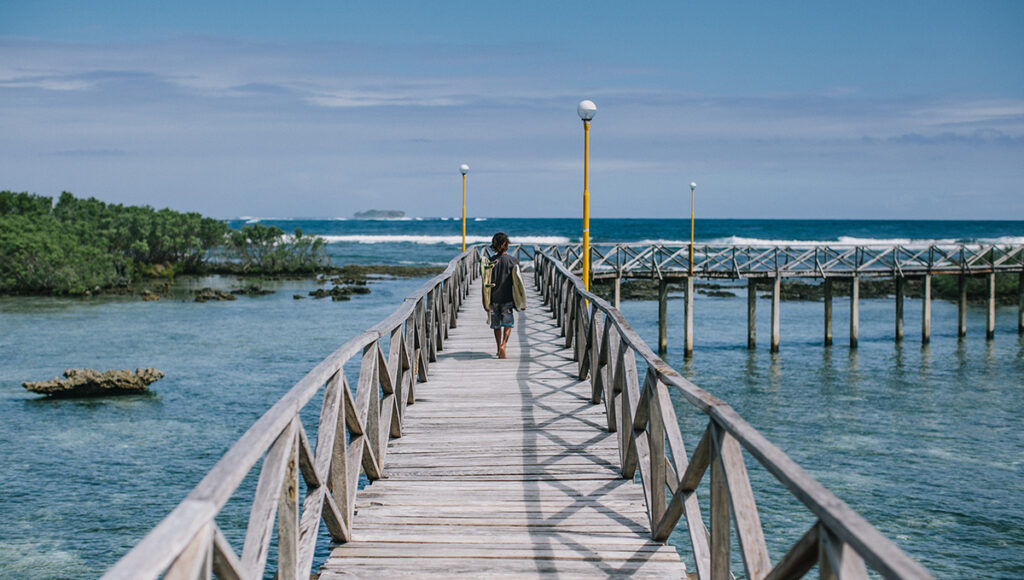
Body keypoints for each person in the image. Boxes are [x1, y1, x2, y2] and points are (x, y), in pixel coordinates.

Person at [484, 232, 518, 359]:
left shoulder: (491, 261)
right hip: (507, 298)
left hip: (493, 299)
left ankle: (498, 347)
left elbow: (485, 281)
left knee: (496, 324)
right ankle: (504, 345)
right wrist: (521, 301)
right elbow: (518, 283)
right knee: (508, 323)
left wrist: (485, 301)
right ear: (505, 244)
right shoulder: (513, 261)